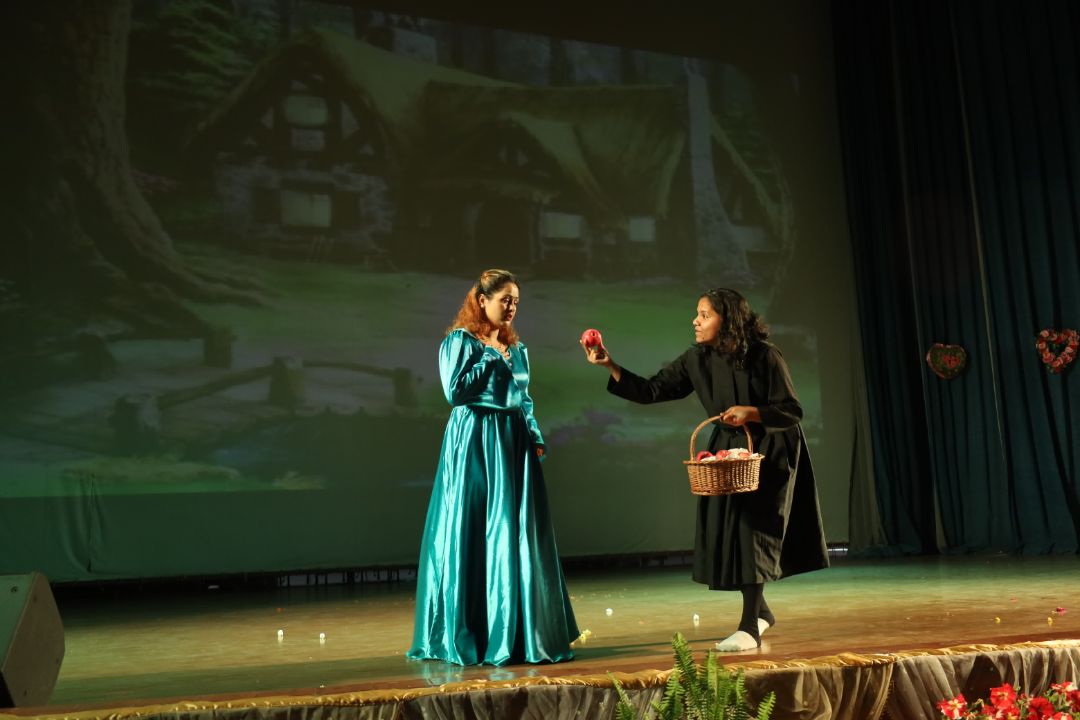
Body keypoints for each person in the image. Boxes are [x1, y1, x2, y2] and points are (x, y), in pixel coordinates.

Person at [582, 288, 828, 652]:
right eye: (697, 314)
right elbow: (652, 390)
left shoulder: (765, 355)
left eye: (704, 314)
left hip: (769, 450)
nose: (695, 321)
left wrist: (752, 412)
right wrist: (609, 364)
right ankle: (761, 612)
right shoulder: (696, 358)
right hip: (729, 451)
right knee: (731, 531)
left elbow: (792, 411)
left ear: (727, 321)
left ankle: (750, 626)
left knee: (752, 532)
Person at [408, 269, 579, 666]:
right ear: (482, 301)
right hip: (474, 440)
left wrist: (533, 432)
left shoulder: (516, 348)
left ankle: (516, 634)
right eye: (505, 299)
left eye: (516, 301)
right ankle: (471, 633)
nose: (512, 307)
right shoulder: (460, 341)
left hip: (512, 443)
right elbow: (455, 392)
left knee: (513, 530)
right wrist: (488, 354)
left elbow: (523, 396)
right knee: (473, 526)